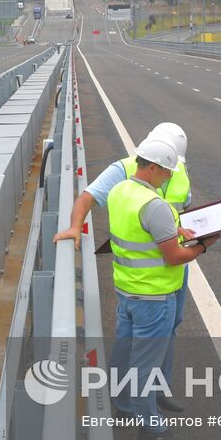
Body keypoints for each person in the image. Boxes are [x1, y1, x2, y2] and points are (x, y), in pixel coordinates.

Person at [55, 123, 192, 411]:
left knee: (171, 327)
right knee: (135, 338)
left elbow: (183, 210)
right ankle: (128, 401)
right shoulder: (123, 170)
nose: (171, 172)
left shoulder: (177, 172)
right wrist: (74, 227)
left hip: (173, 262)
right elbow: (87, 198)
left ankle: (157, 389)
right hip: (145, 272)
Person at [102, 137, 214, 440]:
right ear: (152, 168)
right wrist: (205, 244)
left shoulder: (120, 191)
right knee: (146, 363)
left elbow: (138, 232)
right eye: (166, 172)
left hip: (127, 289)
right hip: (155, 296)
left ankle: (124, 407)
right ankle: (151, 427)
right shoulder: (156, 206)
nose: (169, 177)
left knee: (124, 354)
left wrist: (172, 229)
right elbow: (175, 257)